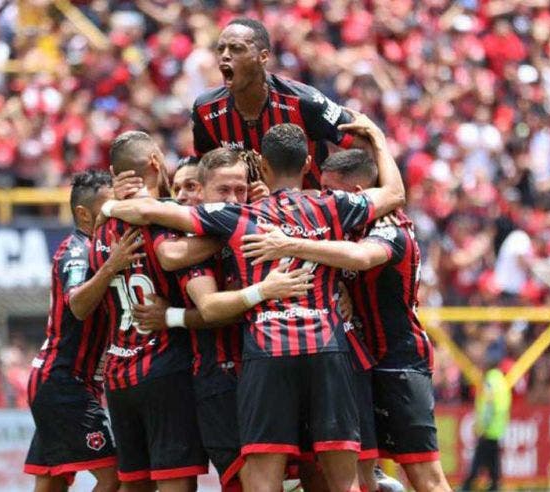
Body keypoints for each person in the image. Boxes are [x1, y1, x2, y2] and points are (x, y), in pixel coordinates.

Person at [99, 115, 405, 492]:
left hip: (267, 354)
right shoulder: (330, 206)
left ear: (260, 166)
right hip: (325, 351)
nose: (232, 196)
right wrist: (376, 137)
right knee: (343, 482)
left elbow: (149, 214)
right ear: (308, 165)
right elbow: (393, 195)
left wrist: (110, 207)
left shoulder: (241, 216)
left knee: (265, 482)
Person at [240, 148, 451, 491]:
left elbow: (359, 257)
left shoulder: (389, 227)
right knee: (360, 474)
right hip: (356, 363)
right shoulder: (338, 227)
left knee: (425, 478)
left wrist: (289, 244)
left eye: (329, 190)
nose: (323, 197)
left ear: (355, 194)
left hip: (399, 364)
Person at [131, 148, 316, 490]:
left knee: (299, 476)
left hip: (271, 371)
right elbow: (209, 306)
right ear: (202, 193)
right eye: (223, 192)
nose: (233, 199)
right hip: (219, 378)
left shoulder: (264, 225)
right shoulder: (186, 242)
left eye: (240, 191)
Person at [90, 131, 209, 490]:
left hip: (119, 373)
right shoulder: (166, 220)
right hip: (164, 367)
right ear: (156, 161)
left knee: (134, 485)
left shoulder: (102, 227)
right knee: (175, 482)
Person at [23, 170, 133, 492]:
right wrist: (112, 266)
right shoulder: (77, 250)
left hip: (60, 381)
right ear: (84, 214)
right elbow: (77, 304)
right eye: (108, 207)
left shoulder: (97, 247)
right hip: (63, 382)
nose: (115, 213)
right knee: (113, 478)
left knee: (51, 481)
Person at [192, 17, 363, 189]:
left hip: (307, 211)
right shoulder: (206, 110)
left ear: (263, 57)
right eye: (220, 49)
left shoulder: (305, 101)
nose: (225, 56)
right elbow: (205, 172)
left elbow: (366, 143)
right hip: (244, 213)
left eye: (236, 48)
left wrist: (346, 198)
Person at [462, 345, 512, 492]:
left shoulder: (489, 381)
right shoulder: (501, 381)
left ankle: (467, 487)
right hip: (497, 429)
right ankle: (495, 486)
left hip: (488, 429)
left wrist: (482, 426)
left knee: (478, 462)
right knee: (492, 462)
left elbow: (489, 407)